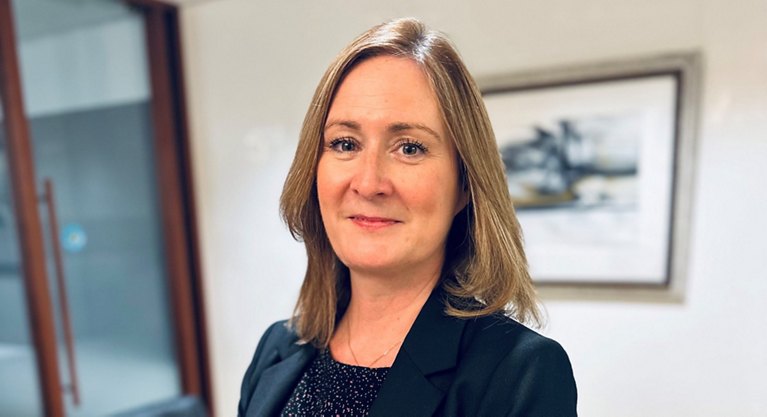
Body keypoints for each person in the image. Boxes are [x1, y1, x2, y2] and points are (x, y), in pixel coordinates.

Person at [238, 17, 577, 417]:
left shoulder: (519, 373)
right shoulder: (276, 349)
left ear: (465, 185)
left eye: (410, 148)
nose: (368, 183)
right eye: (345, 143)